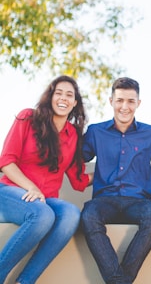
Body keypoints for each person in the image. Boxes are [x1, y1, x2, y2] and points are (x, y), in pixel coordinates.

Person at [0, 75, 91, 284]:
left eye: (69, 95)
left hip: (45, 199)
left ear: (75, 102)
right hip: (10, 191)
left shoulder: (74, 135)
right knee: (42, 215)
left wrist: (116, 174)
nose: (63, 98)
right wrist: (31, 187)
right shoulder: (27, 118)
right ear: (50, 96)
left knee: (70, 214)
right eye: (58, 93)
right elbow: (6, 161)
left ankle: (25, 281)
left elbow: (79, 180)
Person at [80, 77, 151, 284]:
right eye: (119, 100)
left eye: (130, 101)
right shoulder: (95, 131)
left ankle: (119, 280)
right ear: (111, 101)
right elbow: (75, 159)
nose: (124, 107)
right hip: (104, 200)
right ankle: (121, 281)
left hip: (138, 201)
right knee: (88, 215)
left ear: (138, 103)